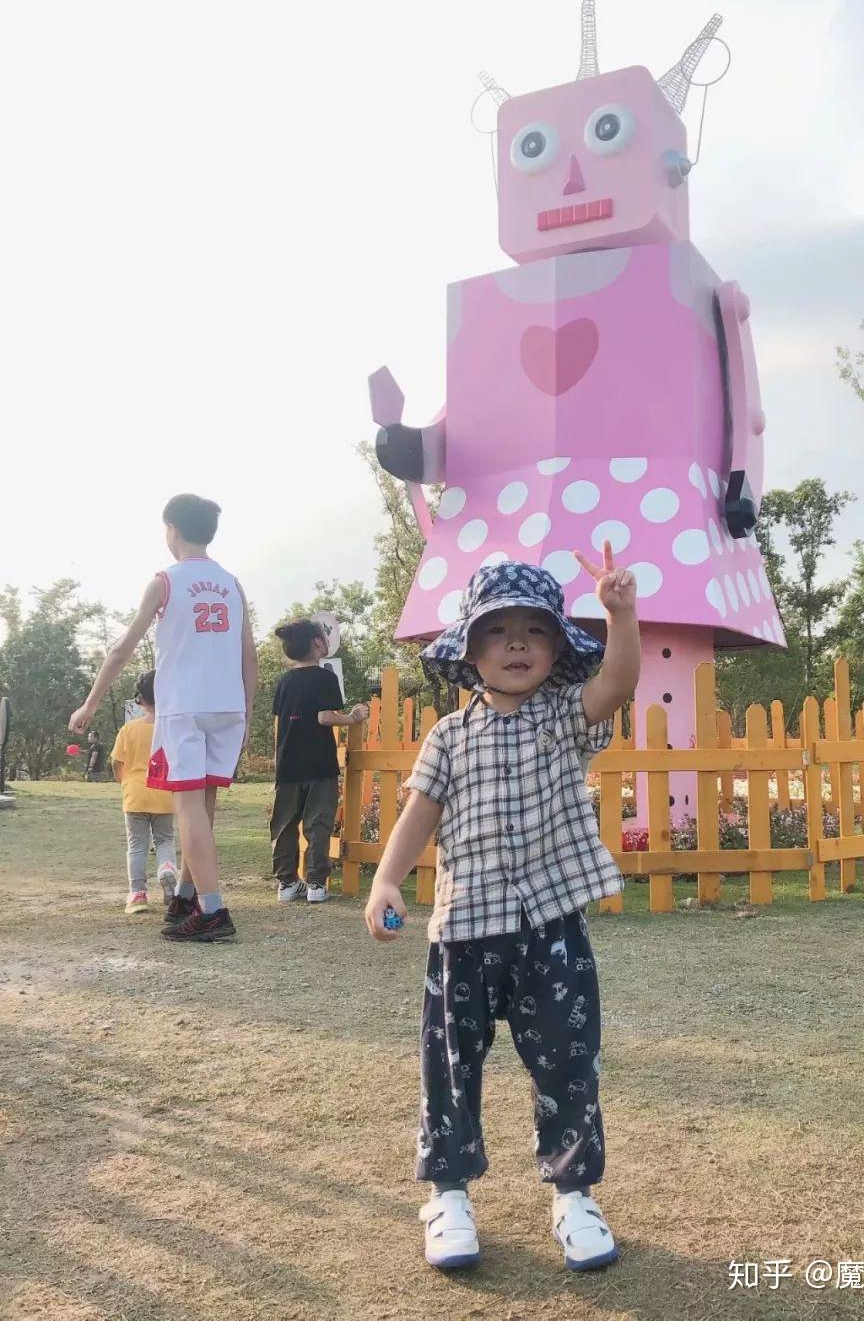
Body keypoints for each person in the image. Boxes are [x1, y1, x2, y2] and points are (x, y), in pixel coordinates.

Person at [363, 548, 639, 1273]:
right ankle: (447, 1195)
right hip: (465, 928)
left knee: (569, 1060)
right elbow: (419, 816)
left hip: (553, 926)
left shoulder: (566, 715)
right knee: (451, 1063)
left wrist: (620, 615)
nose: (517, 644)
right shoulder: (449, 736)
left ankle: (574, 1195)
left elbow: (618, 683)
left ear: (557, 647)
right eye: (497, 631)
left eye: (535, 630)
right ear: (468, 650)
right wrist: (386, 881)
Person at [70, 493, 256, 942]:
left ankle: (213, 911)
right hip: (228, 705)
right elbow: (249, 655)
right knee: (204, 805)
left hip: (185, 707)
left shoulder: (165, 581)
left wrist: (90, 703)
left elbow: (122, 649)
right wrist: (247, 715)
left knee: (187, 807)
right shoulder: (232, 584)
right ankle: (187, 896)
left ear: (172, 530)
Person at [271, 619, 368, 904]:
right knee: (318, 824)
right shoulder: (325, 678)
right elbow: (324, 718)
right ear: (316, 642)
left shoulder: (284, 681)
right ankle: (315, 883)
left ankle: (287, 883)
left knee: (284, 824)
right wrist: (352, 718)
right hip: (318, 762)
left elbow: (281, 721)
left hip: (288, 762)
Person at [111, 670, 178, 915]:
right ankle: (167, 868)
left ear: (141, 699)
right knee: (165, 840)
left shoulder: (128, 730)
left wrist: (125, 782)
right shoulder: (172, 729)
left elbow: (117, 763)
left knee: (137, 845)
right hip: (164, 792)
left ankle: (138, 894)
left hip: (135, 794)